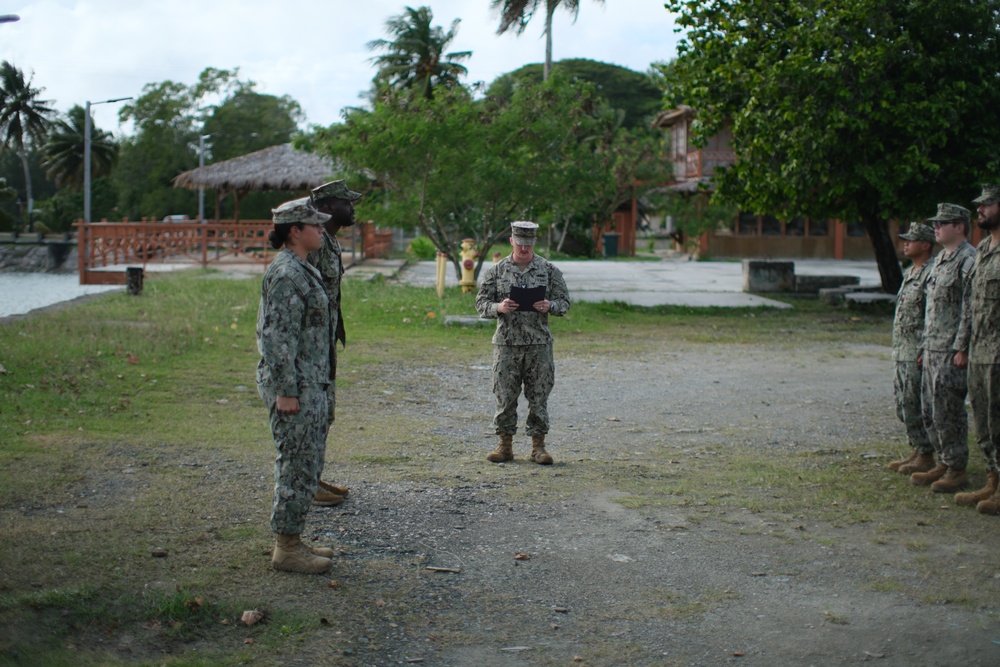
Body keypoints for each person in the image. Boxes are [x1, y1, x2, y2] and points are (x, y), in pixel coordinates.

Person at [256, 198, 336, 574]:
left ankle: (293, 538)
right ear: (294, 231)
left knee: (308, 463)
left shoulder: (302, 268)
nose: (321, 230)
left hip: (311, 381)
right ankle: (285, 548)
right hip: (296, 387)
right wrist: (285, 390)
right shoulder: (287, 274)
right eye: (314, 225)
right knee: (296, 464)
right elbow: (276, 338)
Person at [476, 221, 570, 464]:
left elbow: (564, 303)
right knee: (505, 396)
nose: (524, 249)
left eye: (528, 244)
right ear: (511, 241)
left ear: (534, 243)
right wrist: (499, 307)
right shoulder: (496, 271)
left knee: (539, 396)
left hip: (538, 344)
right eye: (520, 244)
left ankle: (538, 448)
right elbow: (481, 304)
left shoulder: (548, 270)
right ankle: (504, 446)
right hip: (507, 344)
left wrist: (551, 306)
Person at [306, 179, 363, 507]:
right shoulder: (315, 243)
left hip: (324, 342)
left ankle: (313, 476)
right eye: (346, 202)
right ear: (328, 208)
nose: (352, 208)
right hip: (310, 346)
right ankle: (306, 483)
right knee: (313, 413)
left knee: (324, 413)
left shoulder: (331, 241)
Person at [910, 205, 975, 492]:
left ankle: (956, 468)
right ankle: (942, 461)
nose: (936, 227)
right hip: (933, 348)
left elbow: (969, 307)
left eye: (943, 223)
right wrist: (924, 346)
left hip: (951, 351)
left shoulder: (968, 259)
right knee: (931, 411)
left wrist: (962, 347)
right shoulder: (938, 261)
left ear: (959, 226)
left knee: (950, 410)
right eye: (935, 223)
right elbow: (932, 310)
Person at [953, 183, 1000, 513]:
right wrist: (962, 345)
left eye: (988, 204)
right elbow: (970, 303)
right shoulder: (983, 249)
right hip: (981, 350)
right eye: (979, 205)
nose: (980, 209)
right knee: (984, 421)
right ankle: (993, 481)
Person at [887, 222, 936, 475]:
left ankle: (926, 454)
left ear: (926, 244)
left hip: (916, 350)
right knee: (903, 403)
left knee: (916, 402)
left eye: (912, 240)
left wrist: (925, 348)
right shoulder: (910, 272)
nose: (906, 243)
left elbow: (932, 315)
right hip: (902, 349)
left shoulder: (931, 274)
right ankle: (917, 449)